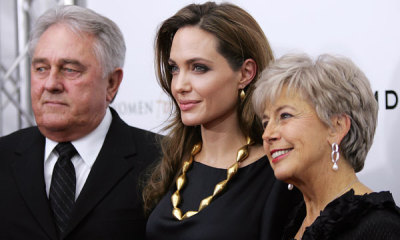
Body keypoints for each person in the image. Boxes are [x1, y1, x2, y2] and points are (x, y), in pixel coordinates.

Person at [143, 2, 302, 239]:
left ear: (245, 73)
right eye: (174, 68)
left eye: (198, 68)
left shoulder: (279, 176)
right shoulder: (172, 158)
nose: (179, 86)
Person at [0, 5, 160, 240]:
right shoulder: (3, 156)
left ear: (112, 83)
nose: (51, 84)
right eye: (41, 68)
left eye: (70, 70)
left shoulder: (164, 161)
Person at [253, 53, 400, 240]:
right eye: (265, 122)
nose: (267, 135)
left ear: (336, 127)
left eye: (285, 116)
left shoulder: (381, 229)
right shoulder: (293, 223)